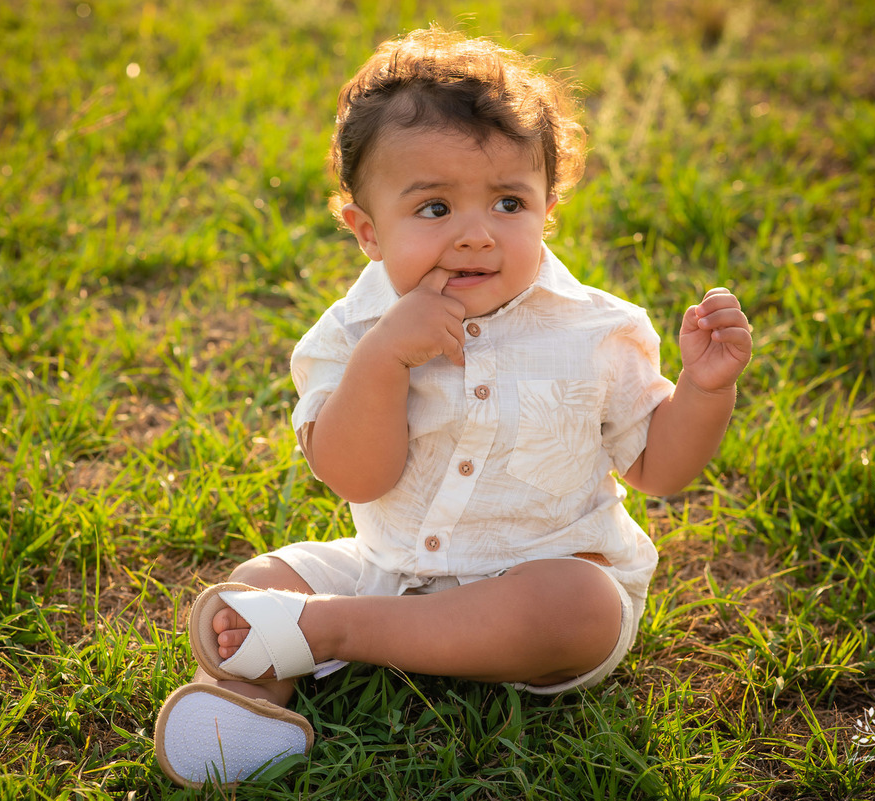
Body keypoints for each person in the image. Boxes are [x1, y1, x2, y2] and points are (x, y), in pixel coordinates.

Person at [154, 26, 752, 788]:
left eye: (509, 202)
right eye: (434, 208)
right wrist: (384, 360)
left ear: (549, 211)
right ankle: (252, 698)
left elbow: (660, 470)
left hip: (539, 583)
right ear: (369, 231)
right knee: (260, 577)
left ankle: (329, 632)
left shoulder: (597, 330)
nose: (475, 234)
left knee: (583, 605)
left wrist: (705, 388)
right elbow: (355, 476)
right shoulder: (351, 334)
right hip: (391, 569)